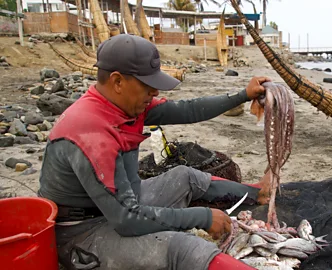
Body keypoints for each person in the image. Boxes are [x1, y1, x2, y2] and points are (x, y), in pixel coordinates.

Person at [37, 34, 271, 270]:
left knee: (185, 176)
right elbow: (127, 220)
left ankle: (256, 193)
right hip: (82, 234)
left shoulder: (125, 106)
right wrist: (203, 217)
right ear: (118, 82)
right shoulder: (90, 132)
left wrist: (243, 95)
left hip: (121, 204)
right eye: (148, 86)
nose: (155, 93)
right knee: (184, 249)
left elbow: (187, 110)